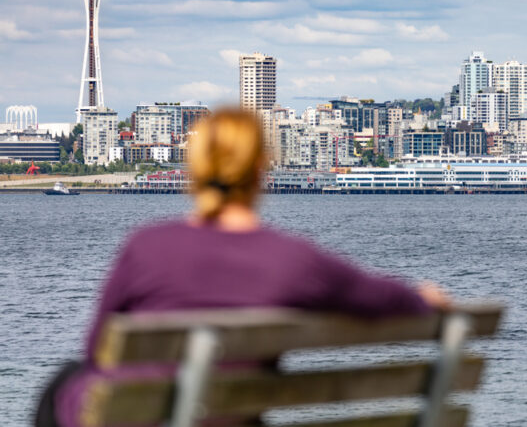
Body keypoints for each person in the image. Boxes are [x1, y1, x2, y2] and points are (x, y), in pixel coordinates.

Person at [39, 108, 449, 427]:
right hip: (230, 417)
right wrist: (422, 297)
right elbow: (380, 297)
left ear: (196, 169)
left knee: (64, 381)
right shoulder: (294, 260)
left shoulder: (147, 246)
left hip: (139, 417)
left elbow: (99, 351)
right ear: (259, 170)